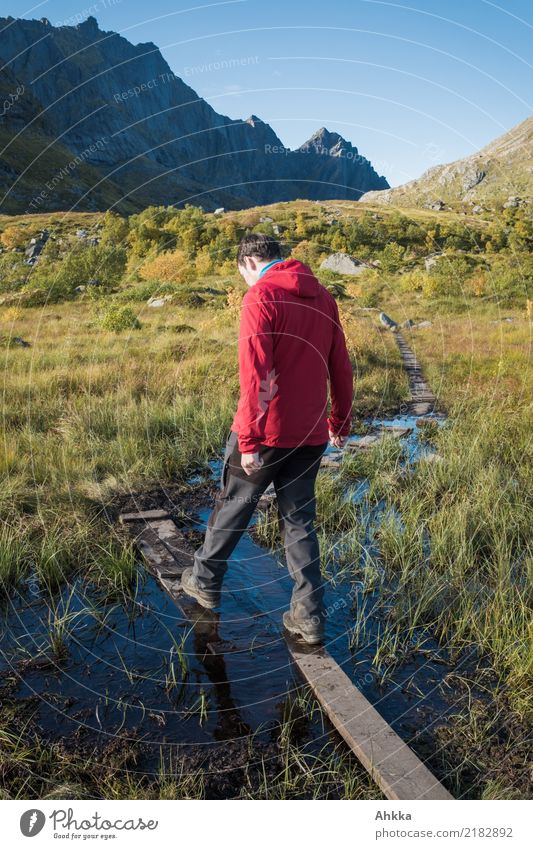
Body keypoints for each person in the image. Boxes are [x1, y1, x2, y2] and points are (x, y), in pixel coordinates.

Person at [180, 233, 353, 644]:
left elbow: (256, 373)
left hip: (267, 432)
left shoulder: (261, 296)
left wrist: (251, 439)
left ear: (247, 264)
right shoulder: (324, 298)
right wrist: (339, 422)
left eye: (242, 274)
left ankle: (204, 582)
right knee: (299, 523)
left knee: (234, 508)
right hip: (310, 435)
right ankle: (308, 617)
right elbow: (341, 366)